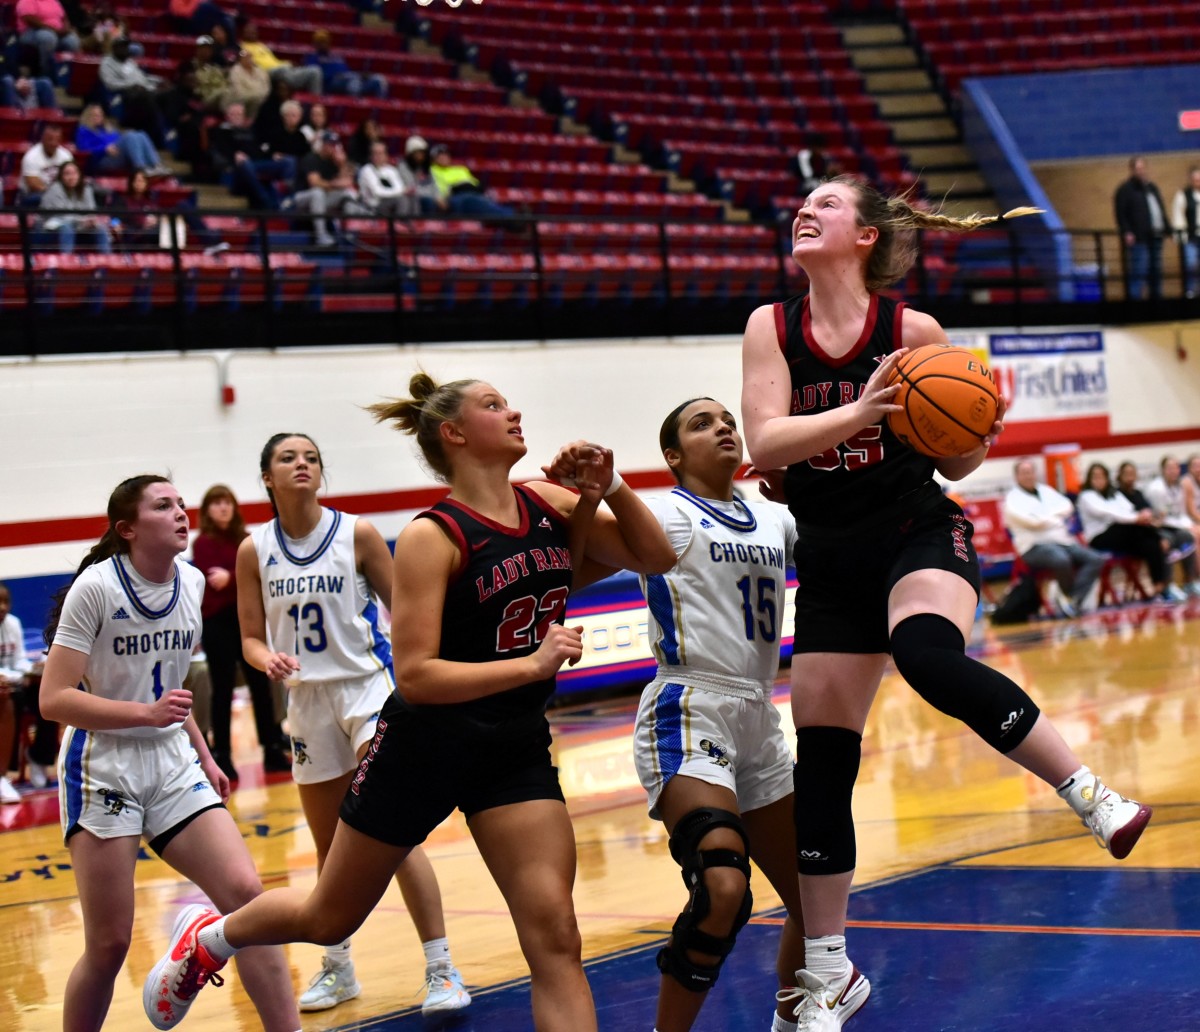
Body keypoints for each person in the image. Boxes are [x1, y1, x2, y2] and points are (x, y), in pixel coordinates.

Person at [740, 174, 1153, 1031]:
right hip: (830, 556)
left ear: (864, 236)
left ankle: (1089, 793)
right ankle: (828, 976)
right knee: (822, 764)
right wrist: (861, 408)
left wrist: (978, 430)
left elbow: (956, 459)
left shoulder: (913, 331)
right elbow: (766, 440)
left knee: (929, 657)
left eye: (826, 203)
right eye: (802, 203)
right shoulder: (771, 328)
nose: (805, 210)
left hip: (915, 530)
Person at [142, 376, 676, 1031]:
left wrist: (610, 487)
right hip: (425, 742)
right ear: (453, 433)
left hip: (512, 745)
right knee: (328, 917)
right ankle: (210, 939)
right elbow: (418, 676)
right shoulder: (434, 534)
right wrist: (531, 663)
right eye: (492, 405)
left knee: (557, 938)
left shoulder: (548, 500)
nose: (513, 411)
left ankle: (438, 961)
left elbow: (658, 555)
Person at [37, 475, 300, 1032]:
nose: (182, 512)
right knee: (109, 945)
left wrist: (203, 754)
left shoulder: (193, 582)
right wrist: (146, 716)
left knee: (248, 901)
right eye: (164, 506)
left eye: (182, 503)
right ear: (128, 529)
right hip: (103, 765)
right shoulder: (98, 588)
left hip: (172, 759)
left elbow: (171, 686)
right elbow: (53, 700)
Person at [227, 431, 470, 1014]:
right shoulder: (253, 550)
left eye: (312, 456)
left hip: (367, 690)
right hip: (306, 702)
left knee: (394, 829)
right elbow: (251, 638)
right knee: (328, 843)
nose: (303, 464)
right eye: (288, 458)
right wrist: (268, 660)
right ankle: (338, 968)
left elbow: (410, 607)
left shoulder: (355, 533)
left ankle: (441, 969)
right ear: (267, 477)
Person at [624, 398, 808, 1032]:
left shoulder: (773, 518)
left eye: (728, 419)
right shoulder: (667, 512)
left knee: (817, 897)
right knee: (722, 889)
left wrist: (803, 487)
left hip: (760, 713)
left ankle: (793, 1022)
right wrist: (601, 488)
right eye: (701, 424)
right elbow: (579, 544)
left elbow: (839, 550)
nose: (724, 427)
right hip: (691, 703)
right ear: (673, 456)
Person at [192, 485, 290, 783]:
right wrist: (240, 579)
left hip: (246, 621)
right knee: (221, 689)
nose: (222, 508)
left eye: (227, 503)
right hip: (217, 623)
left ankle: (272, 748)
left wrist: (233, 577)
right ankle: (222, 754)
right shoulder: (203, 543)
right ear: (208, 509)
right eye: (216, 503)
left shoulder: (246, 540)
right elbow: (216, 585)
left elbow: (252, 577)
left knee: (261, 685)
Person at [1002, 458, 1107, 618]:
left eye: (1030, 472)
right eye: (1023, 473)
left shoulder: (1046, 491)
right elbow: (1033, 522)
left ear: (1035, 473)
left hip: (1063, 541)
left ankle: (1073, 599)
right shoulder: (1012, 500)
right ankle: (1068, 598)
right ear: (1016, 476)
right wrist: (1054, 519)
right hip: (1033, 548)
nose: (1028, 476)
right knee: (1060, 559)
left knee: (1095, 558)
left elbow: (1067, 506)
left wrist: (1044, 518)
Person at [1080, 461, 1179, 603]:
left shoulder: (1113, 494)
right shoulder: (1087, 496)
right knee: (1138, 529)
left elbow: (1129, 509)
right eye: (1095, 477)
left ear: (1107, 478)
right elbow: (1111, 513)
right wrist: (1138, 518)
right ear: (1089, 479)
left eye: (1102, 476)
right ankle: (1160, 541)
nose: (1099, 480)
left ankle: (1159, 587)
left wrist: (1142, 516)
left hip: (1123, 533)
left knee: (1149, 543)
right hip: (1099, 537)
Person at [1116, 459, 1198, 593]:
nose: (1130, 477)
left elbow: (1163, 514)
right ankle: (1167, 585)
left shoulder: (1138, 493)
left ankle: (1190, 580)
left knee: (1187, 537)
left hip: (1161, 526)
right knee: (1165, 542)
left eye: (1132, 473)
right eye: (1127, 474)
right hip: (1143, 532)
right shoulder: (1152, 490)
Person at [290, 131, 363, 247]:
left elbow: (345, 182)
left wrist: (342, 163)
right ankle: (320, 236)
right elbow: (314, 182)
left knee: (346, 194)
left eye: (334, 145)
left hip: (322, 200)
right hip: (301, 199)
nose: (333, 148)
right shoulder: (311, 158)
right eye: (330, 144)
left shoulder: (333, 161)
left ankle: (349, 233)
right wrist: (334, 184)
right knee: (317, 193)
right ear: (323, 144)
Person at [1114, 156, 1168, 301]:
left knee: (1155, 272)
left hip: (1155, 236)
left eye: (1142, 168)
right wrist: (1127, 231)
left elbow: (1159, 208)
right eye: (1137, 169)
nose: (1140, 171)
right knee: (1139, 271)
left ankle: (1156, 302)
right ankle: (1135, 304)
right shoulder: (1125, 189)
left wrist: (1167, 228)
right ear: (1132, 170)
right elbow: (1120, 213)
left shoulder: (1151, 187)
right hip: (1139, 238)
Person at [429, 143, 519, 222]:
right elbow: (437, 190)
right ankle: (514, 215)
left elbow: (475, 183)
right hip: (453, 198)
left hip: (472, 194)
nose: (444, 157)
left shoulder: (461, 169)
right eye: (440, 155)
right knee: (471, 200)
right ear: (433, 159)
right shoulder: (432, 171)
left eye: (446, 154)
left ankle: (511, 219)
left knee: (484, 199)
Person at [38, 160, 114, 254]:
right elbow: (61, 215)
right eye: (67, 174)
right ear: (61, 177)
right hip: (51, 227)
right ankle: (66, 263)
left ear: (80, 175)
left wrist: (90, 221)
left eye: (74, 173)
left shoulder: (86, 188)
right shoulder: (55, 189)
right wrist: (82, 220)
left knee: (100, 229)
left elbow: (91, 211)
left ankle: (106, 263)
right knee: (67, 227)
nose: (71, 177)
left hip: (78, 225)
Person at [0, 582, 31, 804]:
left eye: (6, 602)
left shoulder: (13, 623)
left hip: (12, 683)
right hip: (6, 690)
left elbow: (20, 659)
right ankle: (2, 775)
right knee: (8, 699)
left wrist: (31, 670)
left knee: (44, 690)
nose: (2, 607)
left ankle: (40, 756)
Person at [74, 103, 167, 176]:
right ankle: (140, 169)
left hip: (118, 154)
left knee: (140, 134)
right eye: (94, 115)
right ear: (87, 116)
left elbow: (119, 140)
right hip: (102, 159)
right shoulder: (84, 131)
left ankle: (156, 165)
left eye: (100, 114)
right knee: (130, 135)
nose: (98, 117)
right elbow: (84, 149)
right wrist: (104, 149)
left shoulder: (108, 128)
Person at [238, 18, 322, 96]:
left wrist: (287, 63)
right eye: (248, 30)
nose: (251, 32)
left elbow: (275, 61)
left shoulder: (262, 46)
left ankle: (315, 104)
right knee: (283, 70)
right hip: (266, 72)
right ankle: (297, 84)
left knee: (315, 71)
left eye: (253, 30)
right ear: (243, 32)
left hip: (281, 70)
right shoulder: (241, 46)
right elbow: (247, 62)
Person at [304, 29, 386, 99]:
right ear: (315, 44)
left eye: (325, 41)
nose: (323, 44)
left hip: (348, 77)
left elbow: (347, 70)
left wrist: (359, 75)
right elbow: (317, 77)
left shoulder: (336, 56)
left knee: (379, 79)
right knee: (353, 82)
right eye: (320, 42)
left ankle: (381, 106)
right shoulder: (312, 57)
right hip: (332, 83)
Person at [15, 0, 81, 78]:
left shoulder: (54, 1)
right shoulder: (26, 1)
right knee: (48, 38)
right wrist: (53, 30)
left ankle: (68, 75)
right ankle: (46, 74)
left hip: (57, 32)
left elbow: (64, 18)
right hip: (32, 32)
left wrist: (66, 29)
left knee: (72, 41)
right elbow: (29, 19)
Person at [357, 141, 417, 216]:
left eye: (381, 153)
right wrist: (401, 191)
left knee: (413, 197)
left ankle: (416, 224)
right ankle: (400, 224)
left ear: (386, 155)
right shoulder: (367, 170)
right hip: (373, 207)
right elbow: (378, 192)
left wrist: (401, 191)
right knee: (402, 199)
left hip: (391, 202)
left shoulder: (391, 170)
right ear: (370, 155)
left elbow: (399, 186)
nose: (378, 156)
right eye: (375, 153)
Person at [19, 124, 73, 201]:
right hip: (32, 195)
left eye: (57, 140)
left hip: (58, 193)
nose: (53, 143)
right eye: (50, 139)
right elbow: (33, 184)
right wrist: (55, 194)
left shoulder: (66, 155)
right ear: (43, 139)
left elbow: (72, 176)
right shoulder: (31, 156)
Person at [1171, 166, 1200, 299]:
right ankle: (1190, 291)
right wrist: (1181, 236)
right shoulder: (1183, 195)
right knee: (1191, 265)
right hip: (1191, 238)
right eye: (1195, 179)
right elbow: (1178, 216)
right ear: (1190, 180)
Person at [401, 135, 446, 213]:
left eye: (422, 152)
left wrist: (439, 197)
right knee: (428, 202)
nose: (420, 155)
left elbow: (434, 184)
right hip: (415, 198)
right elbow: (411, 188)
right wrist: (434, 197)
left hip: (431, 196)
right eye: (417, 153)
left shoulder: (426, 166)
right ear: (410, 153)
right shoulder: (404, 167)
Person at [224, 47, 270, 120]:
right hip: (241, 99)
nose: (248, 59)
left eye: (249, 57)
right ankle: (251, 120)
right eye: (245, 57)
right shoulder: (235, 71)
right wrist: (256, 95)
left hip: (262, 97)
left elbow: (267, 86)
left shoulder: (260, 71)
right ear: (240, 59)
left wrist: (263, 95)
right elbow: (238, 90)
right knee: (256, 100)